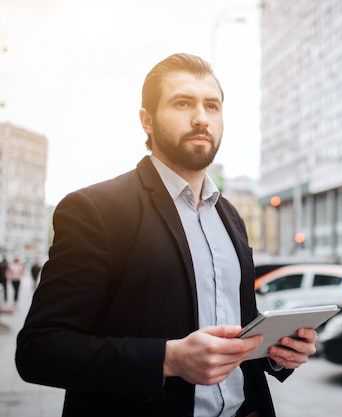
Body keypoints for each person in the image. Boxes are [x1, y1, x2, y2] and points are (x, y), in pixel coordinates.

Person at [15, 53, 318, 417]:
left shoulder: (231, 217)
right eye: (183, 103)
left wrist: (275, 354)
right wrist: (168, 359)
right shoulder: (96, 209)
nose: (201, 117)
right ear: (147, 120)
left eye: (212, 105)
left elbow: (238, 331)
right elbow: (40, 350)